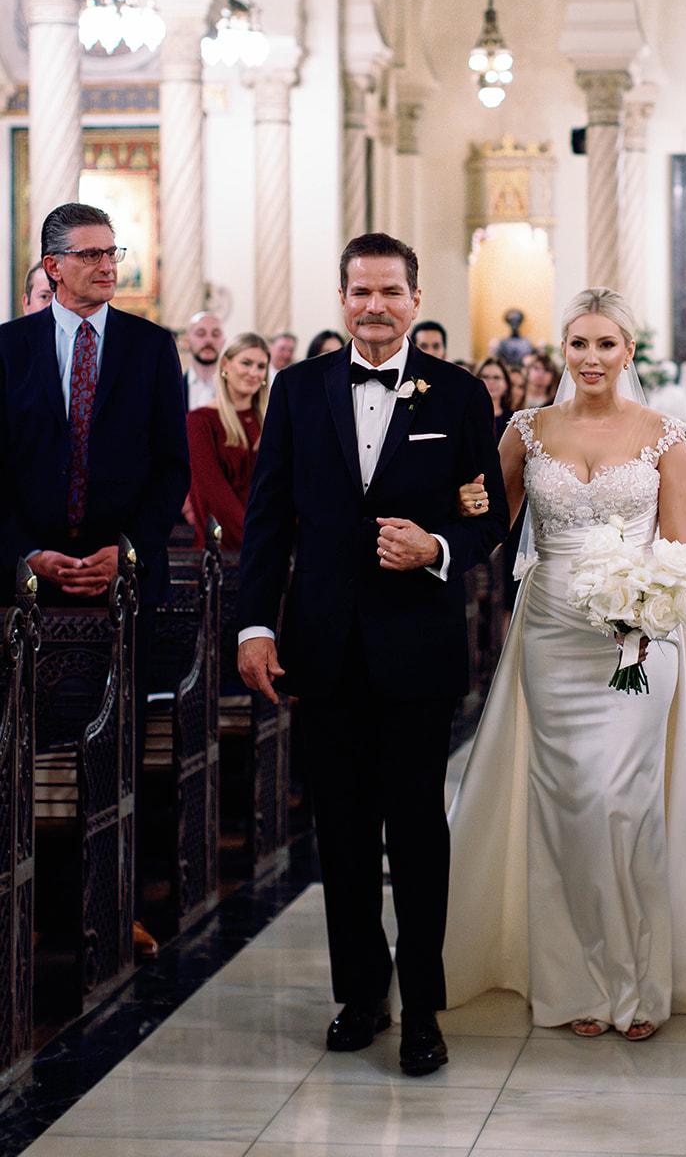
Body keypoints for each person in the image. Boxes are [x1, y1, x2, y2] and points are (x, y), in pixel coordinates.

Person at [444, 287, 686, 1037]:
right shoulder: (525, 429)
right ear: (563, 350)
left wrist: (649, 613)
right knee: (568, 804)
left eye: (605, 345)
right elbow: (490, 522)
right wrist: (437, 530)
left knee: (625, 802)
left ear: (628, 352)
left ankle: (639, 978)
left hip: (639, 635)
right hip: (551, 633)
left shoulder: (663, 435)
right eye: (578, 344)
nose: (591, 359)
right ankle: (574, 982)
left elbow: (677, 547)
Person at [235, 232, 508, 1076]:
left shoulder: (458, 397)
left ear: (414, 300)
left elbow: (487, 516)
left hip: (416, 647)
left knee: (418, 831)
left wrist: (434, 548)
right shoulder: (298, 388)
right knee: (341, 832)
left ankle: (424, 1005)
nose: (374, 307)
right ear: (342, 298)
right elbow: (268, 520)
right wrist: (254, 626)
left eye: (390, 292)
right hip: (321, 646)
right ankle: (361, 994)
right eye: (359, 292)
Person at [0, 202, 190, 955]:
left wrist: (129, 550)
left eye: (114, 252)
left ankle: (119, 905)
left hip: (123, 580)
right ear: (52, 266)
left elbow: (170, 465)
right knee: (19, 752)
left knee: (120, 750)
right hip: (26, 590)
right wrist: (26, 556)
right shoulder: (10, 349)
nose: (108, 265)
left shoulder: (149, 347)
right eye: (90, 255)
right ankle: (28, 909)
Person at [187, 333, 270, 550]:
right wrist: (255, 542)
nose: (254, 372)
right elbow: (211, 493)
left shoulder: (273, 422)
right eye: (246, 363)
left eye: (261, 366)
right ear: (225, 363)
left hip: (272, 545)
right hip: (224, 548)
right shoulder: (200, 421)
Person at [183, 311, 225, 411]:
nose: (209, 340)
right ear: (187, 342)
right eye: (201, 334)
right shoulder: (173, 389)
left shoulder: (234, 389)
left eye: (216, 334)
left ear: (223, 342)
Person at [475, 355, 512, 443]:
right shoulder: (470, 417)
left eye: (496, 377)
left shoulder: (513, 420)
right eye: (485, 377)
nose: (491, 382)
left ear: (506, 384)